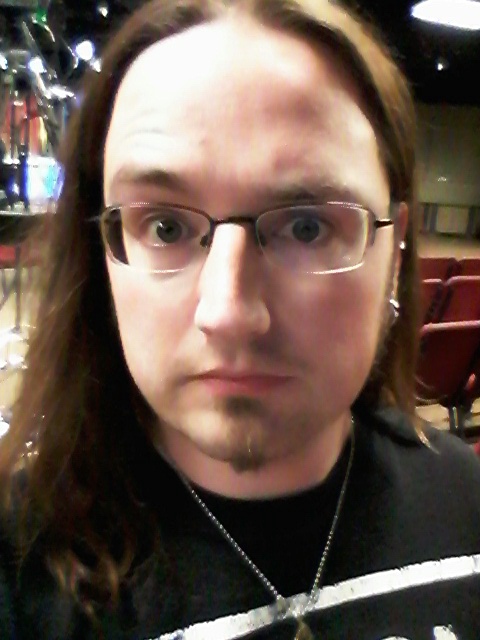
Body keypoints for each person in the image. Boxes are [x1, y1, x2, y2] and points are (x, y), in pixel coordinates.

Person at [1, 0, 479, 638]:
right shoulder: (19, 573)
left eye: (307, 227)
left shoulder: (468, 505)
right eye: (164, 227)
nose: (227, 314)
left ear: (395, 257)